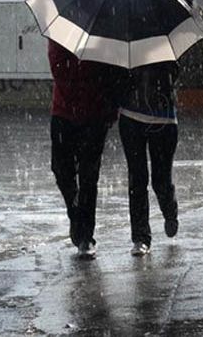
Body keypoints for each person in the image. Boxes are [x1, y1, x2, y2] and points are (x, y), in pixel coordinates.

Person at [48, 40, 124, 259]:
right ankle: (76, 214)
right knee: (61, 170)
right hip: (64, 113)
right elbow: (59, 69)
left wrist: (109, 108)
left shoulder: (104, 37)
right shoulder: (61, 35)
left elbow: (112, 74)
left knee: (89, 176)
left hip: (95, 116)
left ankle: (85, 236)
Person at [118, 61, 180, 257]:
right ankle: (140, 237)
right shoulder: (123, 41)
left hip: (163, 118)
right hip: (130, 116)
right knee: (137, 179)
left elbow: (174, 72)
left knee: (161, 180)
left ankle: (170, 210)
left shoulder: (165, 39)